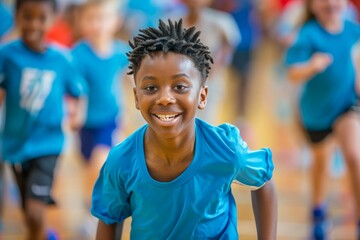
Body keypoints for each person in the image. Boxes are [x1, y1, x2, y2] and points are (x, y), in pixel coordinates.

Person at [91, 18, 277, 239]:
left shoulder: (226, 149)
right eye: (151, 87)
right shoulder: (121, 161)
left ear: (202, 96)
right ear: (136, 98)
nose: (165, 98)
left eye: (180, 87)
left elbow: (264, 184)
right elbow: (109, 219)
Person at [0, 0, 86, 239]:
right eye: (27, 17)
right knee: (28, 213)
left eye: (42, 18)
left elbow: (79, 91)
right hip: (15, 145)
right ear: (17, 17)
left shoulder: (62, 58)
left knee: (36, 212)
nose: (34, 24)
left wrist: (77, 113)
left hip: (48, 144)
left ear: (53, 18)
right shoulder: (7, 54)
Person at [284, 0, 360, 239]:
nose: (330, 3)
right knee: (321, 165)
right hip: (315, 111)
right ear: (312, 6)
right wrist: (312, 66)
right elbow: (293, 73)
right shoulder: (309, 34)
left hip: (346, 104)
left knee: (354, 155)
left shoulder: (352, 28)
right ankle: (318, 210)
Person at [71, 0, 128, 237]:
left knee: (100, 163)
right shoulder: (77, 54)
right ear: (82, 21)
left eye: (103, 18)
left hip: (109, 119)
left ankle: (102, 213)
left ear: (115, 21)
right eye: (92, 18)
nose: (98, 24)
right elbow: (73, 88)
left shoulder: (119, 52)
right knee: (88, 170)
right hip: (85, 123)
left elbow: (128, 82)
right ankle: (88, 210)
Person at [167, 0, 240, 124]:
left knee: (205, 118)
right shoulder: (173, 21)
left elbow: (230, 43)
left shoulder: (220, 21)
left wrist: (216, 65)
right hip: (180, 80)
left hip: (209, 81)